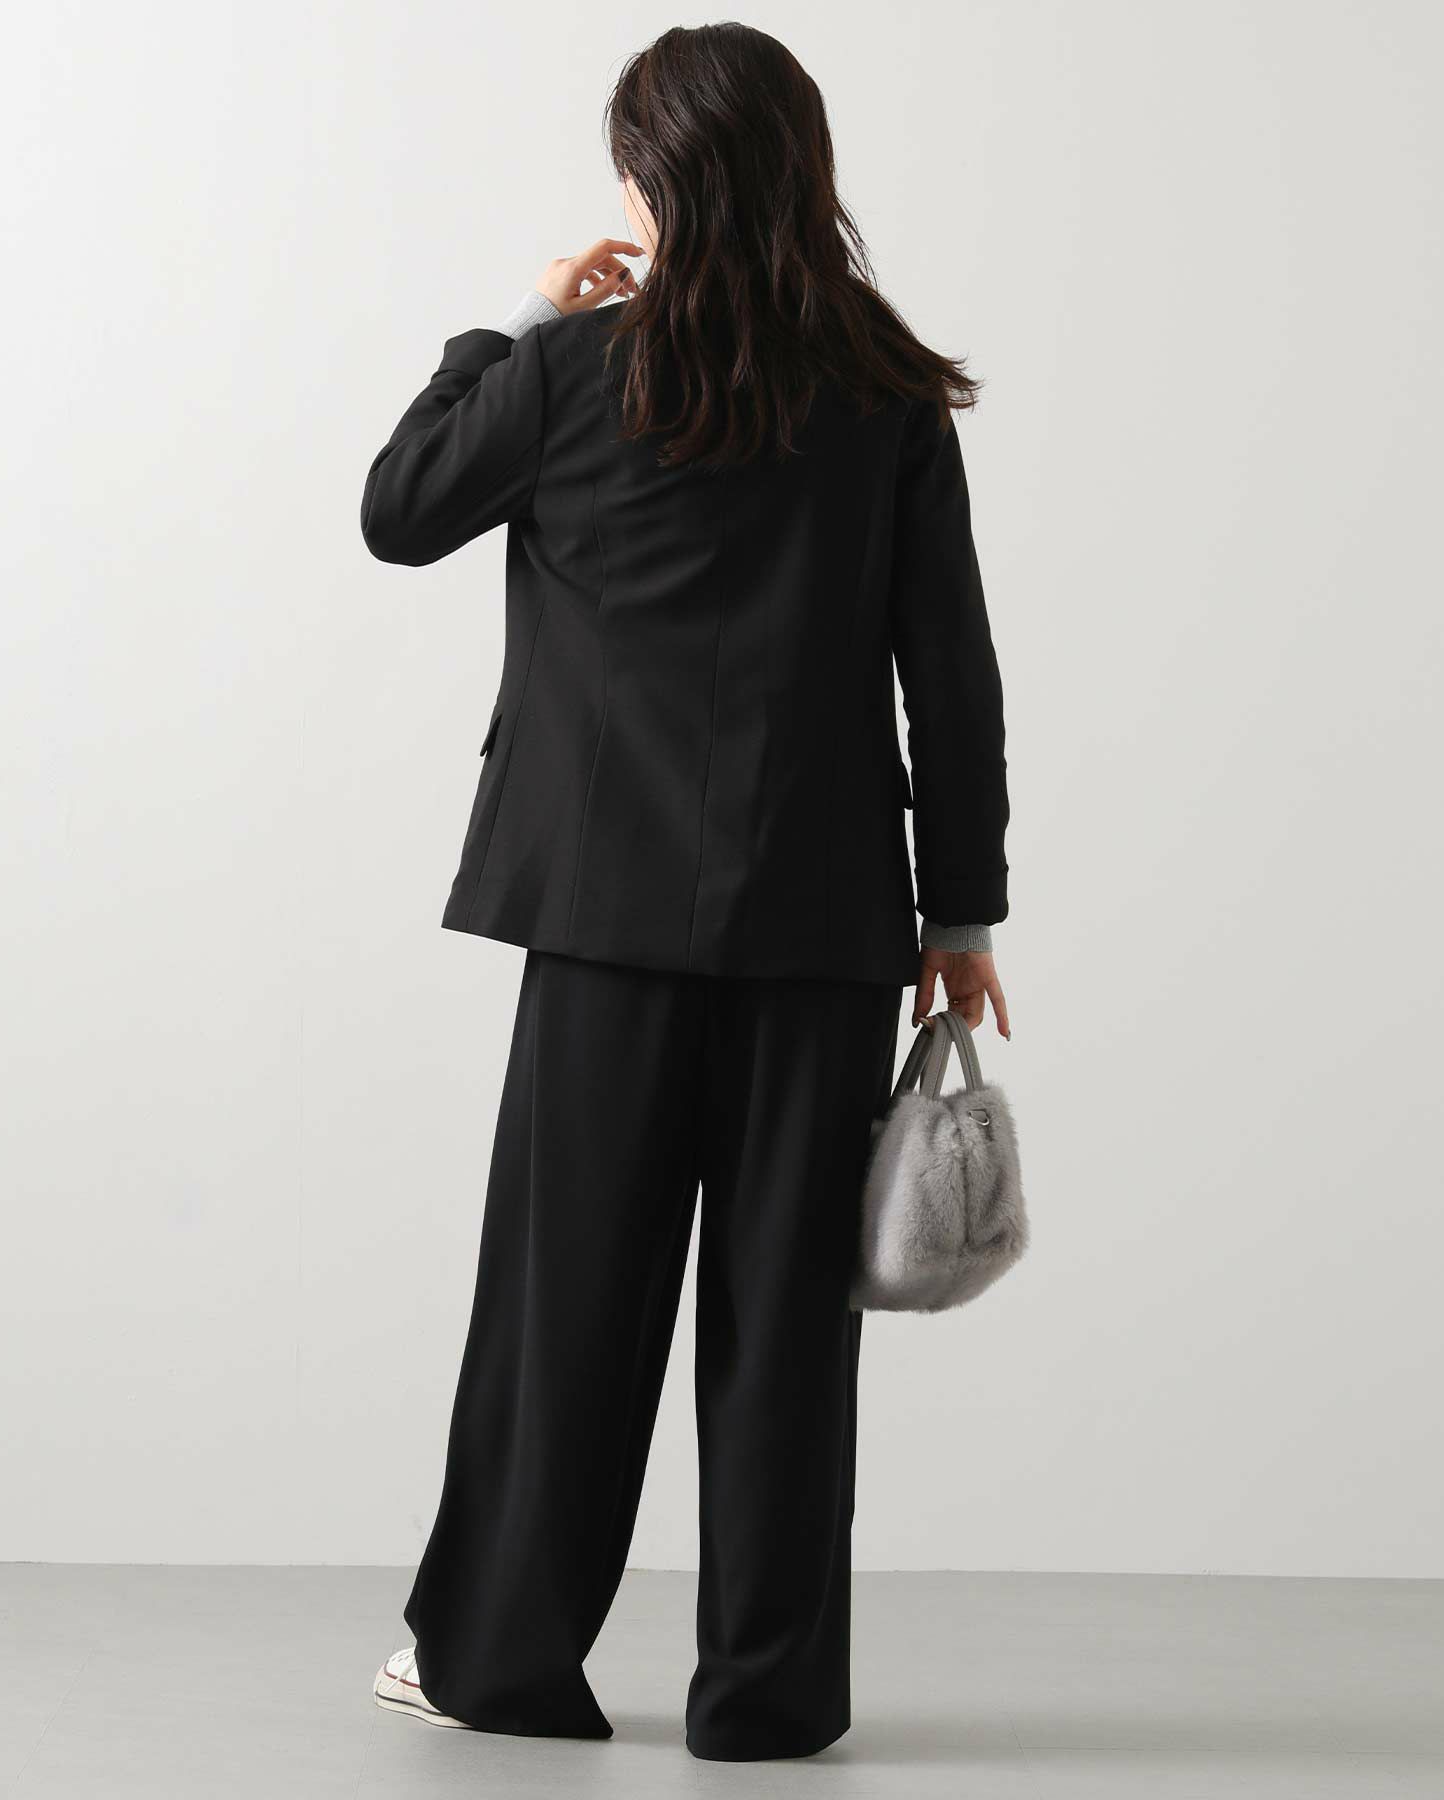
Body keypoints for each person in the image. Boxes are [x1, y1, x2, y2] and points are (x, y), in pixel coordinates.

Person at [360, 21, 1010, 1765]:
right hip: (825, 930)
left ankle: (498, 1660)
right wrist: (960, 917)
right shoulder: (882, 388)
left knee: (565, 1312)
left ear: (657, 179)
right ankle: (770, 1699)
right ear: (801, 171)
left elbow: (398, 509)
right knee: (787, 1331)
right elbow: (948, 671)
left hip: (603, 923)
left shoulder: (573, 373)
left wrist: (514, 324)